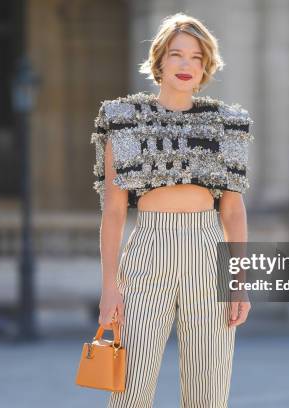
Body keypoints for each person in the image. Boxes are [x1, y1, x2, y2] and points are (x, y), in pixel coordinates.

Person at [91, 12, 253, 408]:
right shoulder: (124, 121)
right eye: (177, 55)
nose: (186, 65)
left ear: (205, 67)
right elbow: (113, 211)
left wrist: (239, 280)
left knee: (208, 392)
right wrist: (110, 285)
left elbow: (232, 210)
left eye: (196, 57)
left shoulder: (226, 124)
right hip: (148, 248)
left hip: (207, 249)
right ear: (159, 61)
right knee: (129, 387)